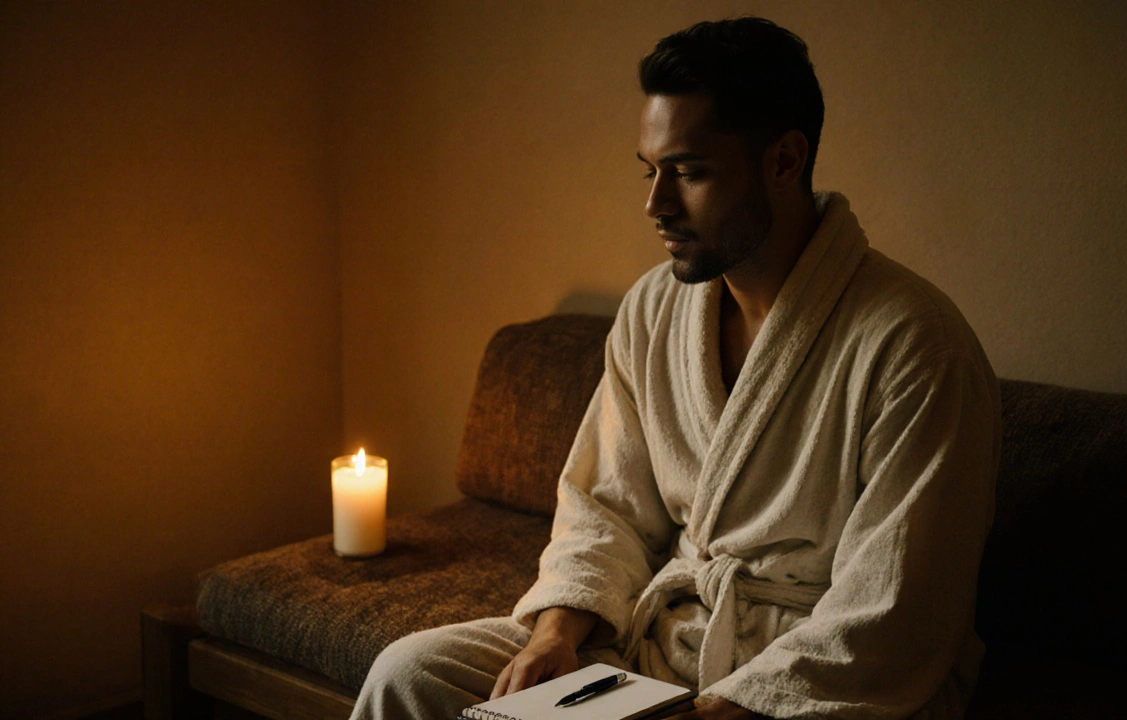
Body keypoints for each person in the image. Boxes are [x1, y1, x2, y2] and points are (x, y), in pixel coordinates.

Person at [352, 16, 1000, 720]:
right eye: (650, 170)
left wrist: (716, 711)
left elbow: (892, 616)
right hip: (661, 646)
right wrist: (557, 633)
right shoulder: (655, 311)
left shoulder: (915, 344)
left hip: (815, 687)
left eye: (688, 173)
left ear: (783, 162)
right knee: (411, 674)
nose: (655, 204)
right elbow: (607, 507)